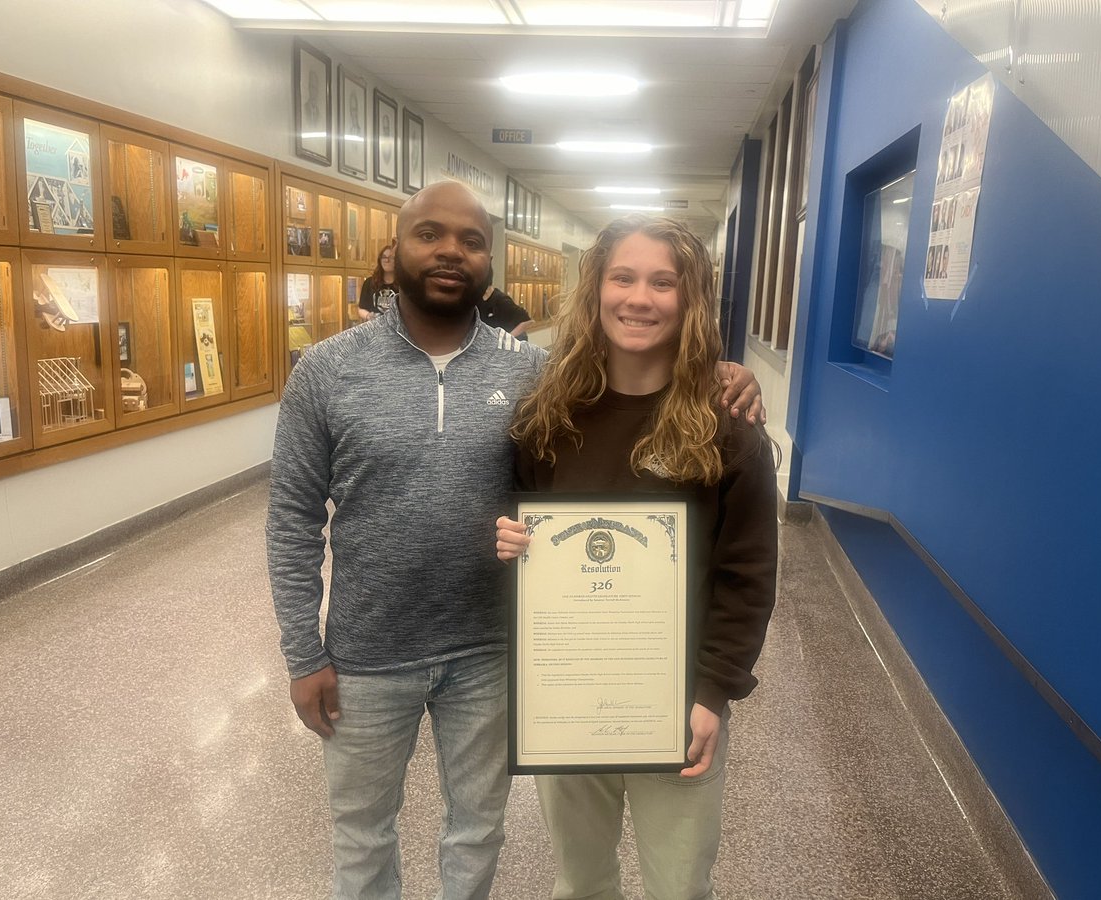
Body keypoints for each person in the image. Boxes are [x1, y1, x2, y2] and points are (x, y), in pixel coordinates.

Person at [267, 182, 764, 900]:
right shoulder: (329, 372)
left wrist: (730, 377)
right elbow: (291, 519)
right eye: (428, 235)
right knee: (362, 833)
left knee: (480, 831)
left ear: (489, 261)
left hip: (495, 654)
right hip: (370, 654)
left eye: (470, 241)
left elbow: (743, 566)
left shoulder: (534, 374)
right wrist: (301, 651)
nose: (449, 252)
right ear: (390, 254)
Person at [495, 214, 779, 900]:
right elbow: (515, 521)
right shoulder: (548, 414)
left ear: (691, 300)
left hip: (676, 703)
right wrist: (508, 542)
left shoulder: (727, 427)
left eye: (663, 282)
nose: (639, 298)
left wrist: (713, 691)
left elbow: (748, 576)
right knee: (579, 880)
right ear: (596, 290)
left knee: (679, 886)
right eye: (622, 277)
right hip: (567, 697)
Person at [475, 273, 531, 338]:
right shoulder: (479, 300)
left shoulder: (503, 301)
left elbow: (527, 321)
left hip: (508, 344)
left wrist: (507, 338)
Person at [358, 243, 397, 319]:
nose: (387, 260)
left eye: (391, 257)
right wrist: (368, 316)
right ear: (380, 260)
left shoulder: (404, 284)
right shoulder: (369, 282)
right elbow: (361, 308)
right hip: (374, 327)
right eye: (384, 257)